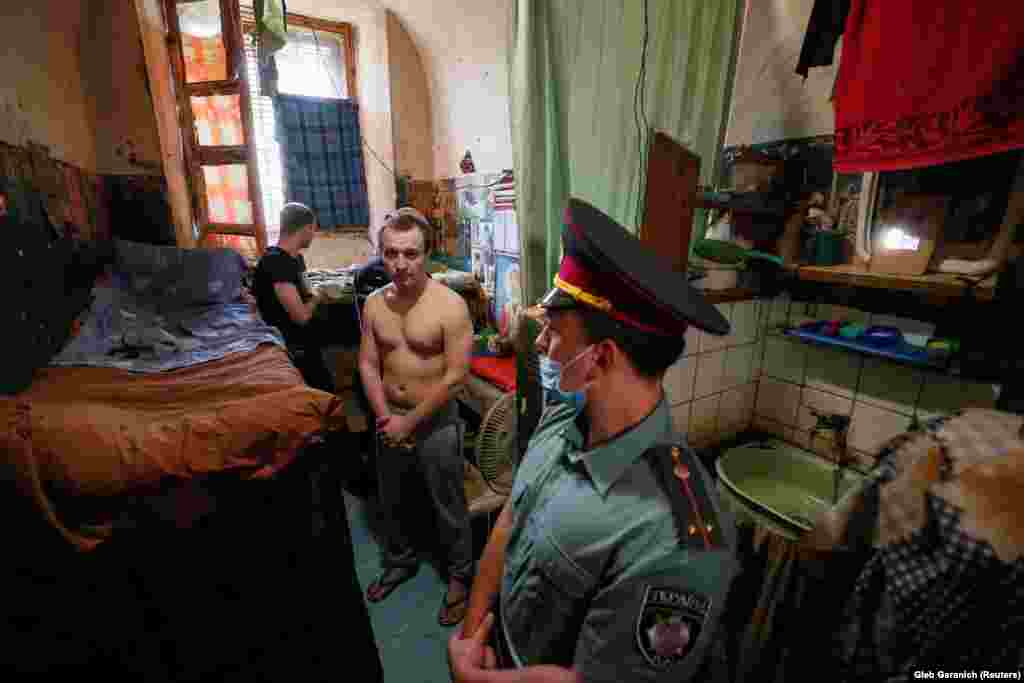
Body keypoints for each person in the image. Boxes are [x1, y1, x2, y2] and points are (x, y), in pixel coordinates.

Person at [448, 198, 740, 682]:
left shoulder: (679, 537)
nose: (540, 343)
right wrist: (470, 635)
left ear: (599, 359)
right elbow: (510, 521)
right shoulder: (564, 417)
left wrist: (477, 680)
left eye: (554, 331)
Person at [358, 207, 476, 626]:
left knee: (448, 504)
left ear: (426, 254)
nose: (401, 264)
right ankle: (400, 561)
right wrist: (386, 417)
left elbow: (457, 375)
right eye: (391, 253)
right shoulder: (374, 304)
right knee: (393, 499)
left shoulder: (451, 306)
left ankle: (461, 575)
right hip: (389, 417)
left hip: (436, 422)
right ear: (382, 253)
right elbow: (369, 365)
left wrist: (409, 423)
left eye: (411, 254)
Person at [252, 202, 334, 392]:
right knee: (324, 388)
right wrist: (319, 295)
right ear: (306, 229)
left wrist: (316, 293)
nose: (313, 234)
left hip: (302, 335)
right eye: (313, 229)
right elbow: (301, 317)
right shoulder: (276, 262)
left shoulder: (296, 258)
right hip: (289, 341)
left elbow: (306, 290)